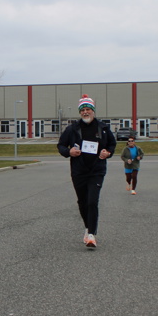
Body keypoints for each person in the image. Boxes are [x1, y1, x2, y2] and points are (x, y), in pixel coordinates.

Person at [57, 94, 116, 248]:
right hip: (79, 171)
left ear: (93, 111)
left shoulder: (103, 127)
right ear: (80, 112)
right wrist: (69, 152)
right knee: (82, 202)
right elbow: (61, 145)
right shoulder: (72, 129)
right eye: (82, 110)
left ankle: (91, 235)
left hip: (96, 170)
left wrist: (108, 152)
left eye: (88, 109)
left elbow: (112, 144)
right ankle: (87, 227)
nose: (85, 112)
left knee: (92, 201)